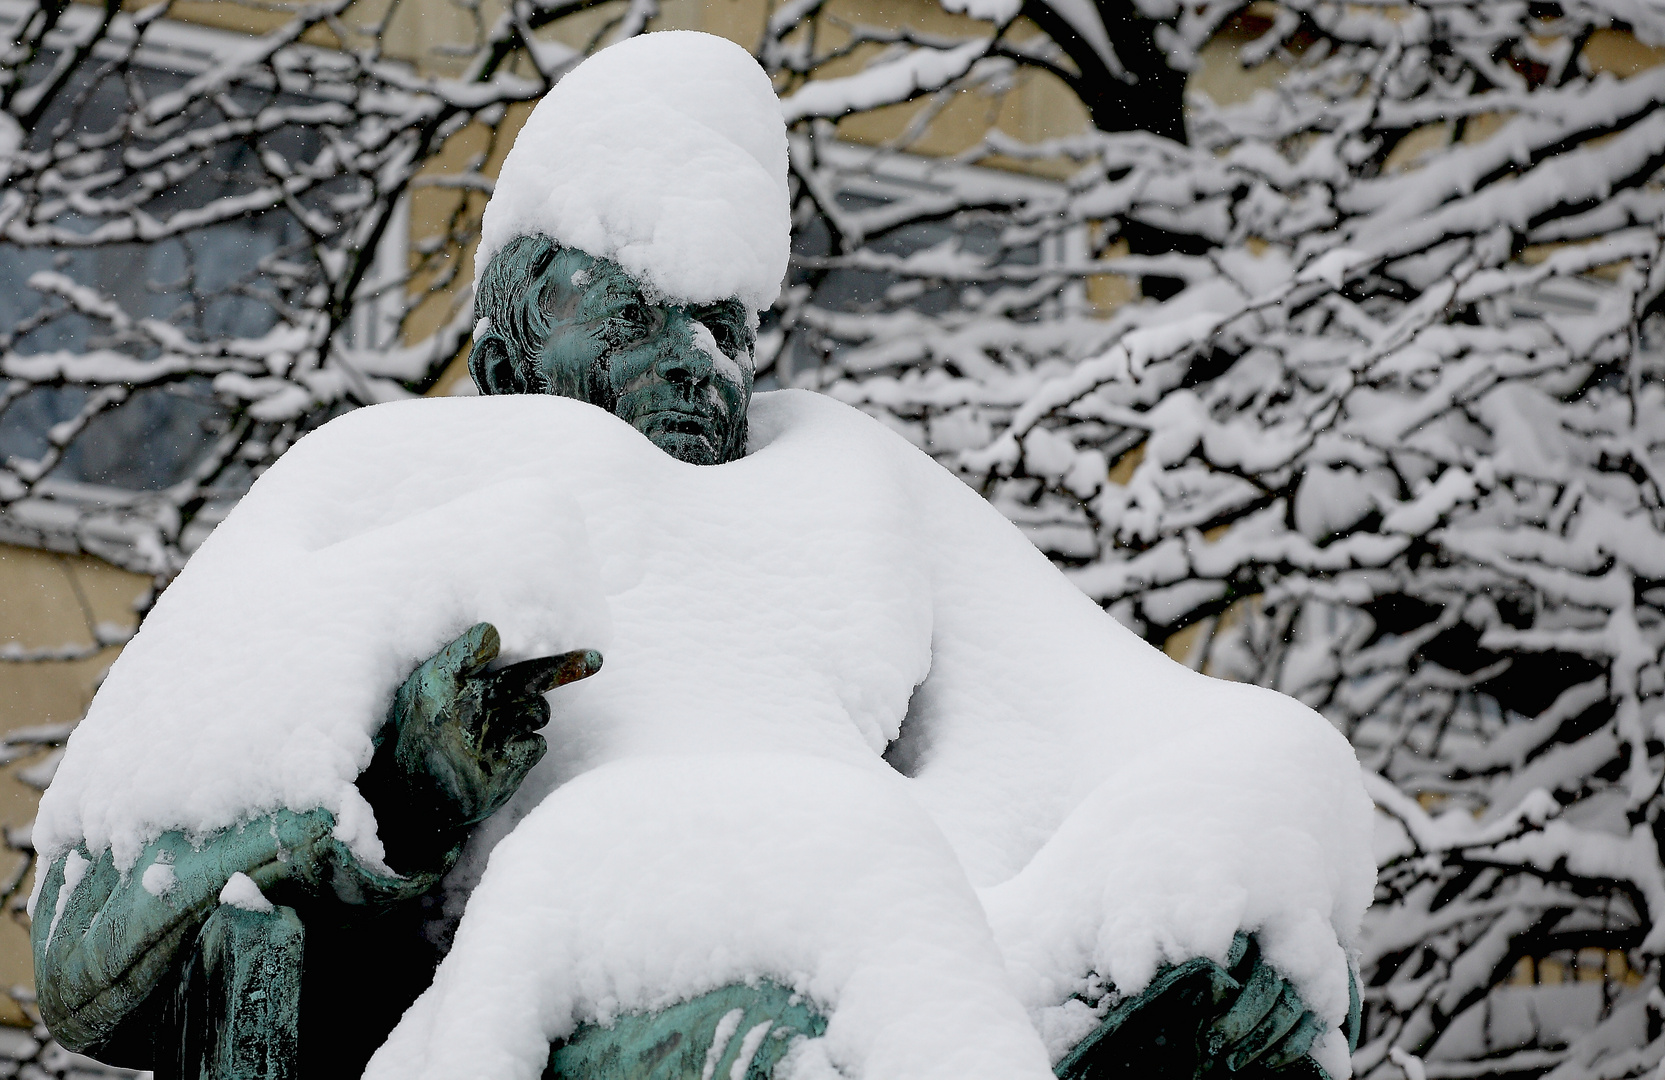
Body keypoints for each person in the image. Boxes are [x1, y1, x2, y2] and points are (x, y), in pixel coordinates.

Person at [32, 30, 1370, 1080]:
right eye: (627, 315)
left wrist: (1247, 851)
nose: (689, 362)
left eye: (719, 325)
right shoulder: (386, 489)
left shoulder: (849, 488)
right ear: (506, 357)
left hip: (909, 970)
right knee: (827, 923)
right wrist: (396, 788)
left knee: (1253, 823)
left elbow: (1128, 727)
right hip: (559, 1009)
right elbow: (78, 954)